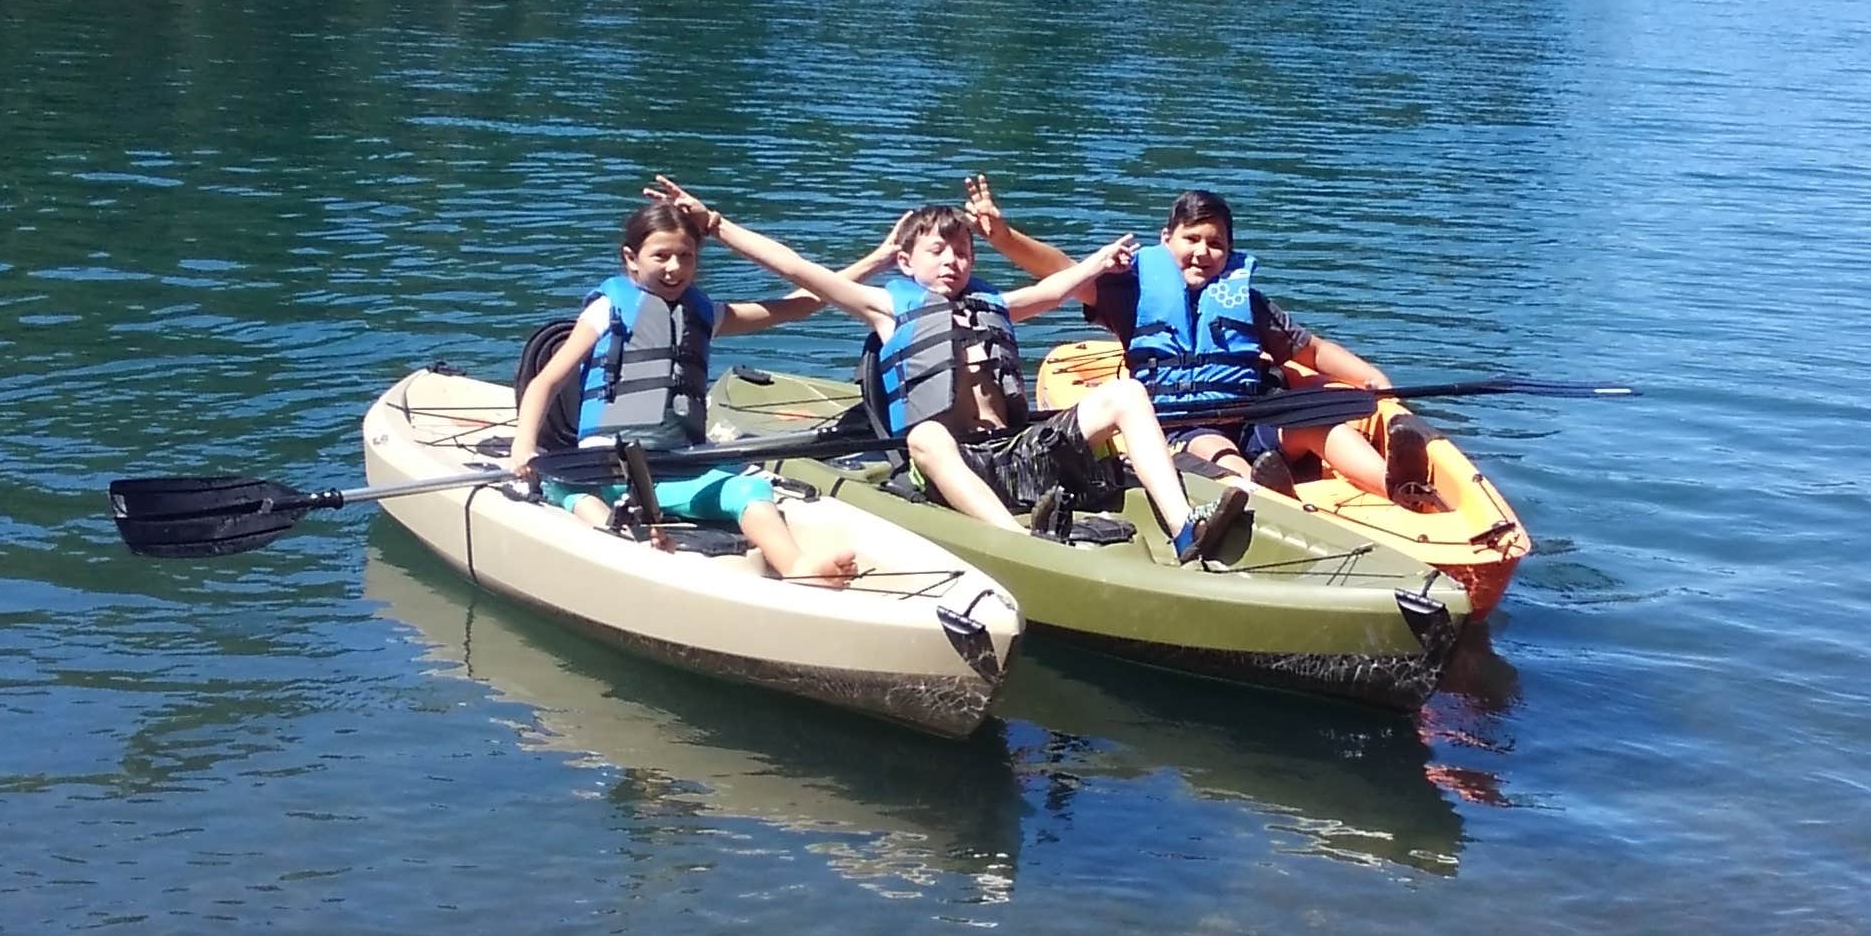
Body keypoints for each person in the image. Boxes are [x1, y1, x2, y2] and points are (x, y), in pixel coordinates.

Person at [643, 180, 1248, 562]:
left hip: (1015, 454)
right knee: (926, 435)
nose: (954, 261)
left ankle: (1184, 528)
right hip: (951, 465)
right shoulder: (886, 306)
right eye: (938, 251)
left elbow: (1055, 290)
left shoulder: (993, 303)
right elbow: (800, 270)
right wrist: (716, 226)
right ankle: (1023, 547)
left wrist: (1099, 260)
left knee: (1126, 393)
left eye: (963, 251)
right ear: (906, 263)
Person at [964, 177, 1432, 504]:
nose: (1203, 252)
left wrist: (1373, 379)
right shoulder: (1129, 294)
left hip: (1254, 413)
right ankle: (1271, 497)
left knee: (1321, 425)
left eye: (1216, 244)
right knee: (1217, 452)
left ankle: (1395, 485)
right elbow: (1063, 272)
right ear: (1166, 238)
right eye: (1192, 239)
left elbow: (1310, 350)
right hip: (1185, 425)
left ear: (1229, 252)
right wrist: (1003, 237)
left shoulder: (1244, 300)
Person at [506, 191, 865, 588]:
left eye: (686, 256)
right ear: (631, 258)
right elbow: (546, 381)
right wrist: (524, 445)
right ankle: (618, 537)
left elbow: (800, 305)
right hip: (605, 466)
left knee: (749, 489)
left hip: (674, 465)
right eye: (660, 256)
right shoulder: (606, 310)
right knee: (568, 485)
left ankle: (797, 567)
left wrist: (876, 261)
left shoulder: (702, 313)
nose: (674, 268)